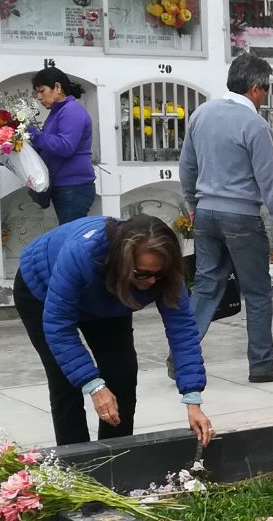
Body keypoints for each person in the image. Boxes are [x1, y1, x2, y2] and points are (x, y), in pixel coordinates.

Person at [14, 214, 214, 447]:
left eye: (158, 274)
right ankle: (76, 466)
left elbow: (183, 330)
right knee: (66, 380)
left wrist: (192, 399)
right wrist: (94, 386)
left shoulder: (164, 271)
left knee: (122, 373)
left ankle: (115, 457)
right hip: (41, 289)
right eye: (142, 274)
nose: (151, 282)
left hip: (109, 295)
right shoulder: (82, 254)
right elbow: (58, 326)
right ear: (124, 262)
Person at [180, 53, 273, 383]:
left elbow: (187, 165)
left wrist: (193, 202)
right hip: (241, 218)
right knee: (257, 292)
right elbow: (269, 178)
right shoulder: (254, 124)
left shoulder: (201, 114)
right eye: (268, 90)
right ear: (257, 89)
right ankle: (262, 363)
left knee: (205, 286)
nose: (266, 97)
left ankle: (182, 356)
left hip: (206, 215)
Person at [28, 67, 96, 224]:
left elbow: (65, 146)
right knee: (68, 237)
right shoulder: (57, 112)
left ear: (57, 88)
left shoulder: (72, 110)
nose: (39, 97)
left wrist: (34, 134)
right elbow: (46, 145)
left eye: (41, 91)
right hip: (65, 186)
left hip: (74, 187)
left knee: (70, 239)